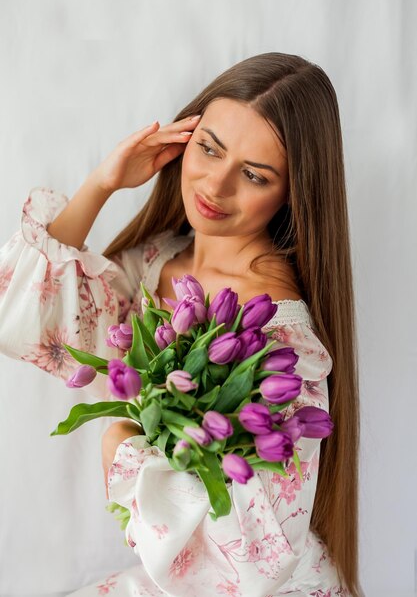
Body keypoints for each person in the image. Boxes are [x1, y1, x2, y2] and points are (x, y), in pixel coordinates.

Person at [0, 52, 361, 597]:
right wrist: (104, 182)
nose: (215, 187)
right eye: (208, 148)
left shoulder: (280, 337)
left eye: (254, 175)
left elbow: (253, 552)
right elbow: (22, 315)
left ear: (291, 193)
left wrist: (121, 445)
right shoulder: (160, 259)